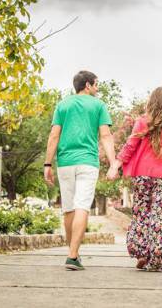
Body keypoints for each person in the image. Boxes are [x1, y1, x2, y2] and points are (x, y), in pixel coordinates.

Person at [44, 70, 117, 271]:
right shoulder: (99, 105)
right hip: (87, 162)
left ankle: (72, 254)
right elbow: (106, 136)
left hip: (65, 163)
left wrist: (47, 165)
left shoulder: (62, 105)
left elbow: (53, 136)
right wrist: (113, 162)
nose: (97, 88)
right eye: (96, 84)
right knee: (82, 206)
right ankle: (72, 255)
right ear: (87, 85)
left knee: (68, 208)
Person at [108, 87, 162, 272]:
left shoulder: (142, 122)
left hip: (142, 176)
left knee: (142, 213)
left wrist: (115, 165)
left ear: (151, 102)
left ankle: (141, 252)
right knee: (160, 217)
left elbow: (129, 146)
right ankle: (155, 260)